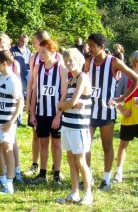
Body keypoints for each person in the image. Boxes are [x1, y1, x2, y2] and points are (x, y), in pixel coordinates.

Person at [84, 33, 138, 191]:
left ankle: (106, 180)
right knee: (85, 145)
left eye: (92, 46)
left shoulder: (114, 62)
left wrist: (121, 98)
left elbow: (135, 79)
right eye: (88, 45)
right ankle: (89, 176)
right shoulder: (88, 62)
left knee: (106, 145)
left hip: (106, 111)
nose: (89, 48)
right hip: (89, 110)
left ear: (101, 47)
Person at [0, 33, 24, 184]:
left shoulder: (13, 80)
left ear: (4, 64)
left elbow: (20, 101)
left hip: (7, 122)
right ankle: (2, 178)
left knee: (8, 149)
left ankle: (10, 182)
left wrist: (11, 122)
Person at [57, 48, 93, 205]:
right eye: (66, 61)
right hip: (67, 124)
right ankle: (74, 193)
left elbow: (69, 103)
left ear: (79, 60)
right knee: (71, 160)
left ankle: (88, 194)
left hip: (79, 126)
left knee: (81, 161)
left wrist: (67, 105)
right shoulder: (70, 80)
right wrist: (68, 105)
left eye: (70, 60)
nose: (68, 63)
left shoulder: (82, 77)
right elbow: (61, 105)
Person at [30, 39, 68, 185]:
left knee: (56, 143)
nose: (41, 54)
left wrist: (58, 115)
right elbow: (35, 92)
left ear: (53, 52)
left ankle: (57, 174)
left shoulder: (61, 68)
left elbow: (63, 93)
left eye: (44, 52)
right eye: (40, 51)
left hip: (55, 111)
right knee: (43, 141)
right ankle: (42, 173)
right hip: (41, 111)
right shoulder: (37, 67)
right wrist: (32, 113)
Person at [25, 30, 50, 175]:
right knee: (35, 134)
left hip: (51, 104)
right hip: (36, 101)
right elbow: (31, 81)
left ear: (41, 42)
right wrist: (28, 101)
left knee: (53, 138)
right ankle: (34, 164)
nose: (32, 44)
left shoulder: (57, 57)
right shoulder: (34, 58)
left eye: (34, 42)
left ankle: (53, 166)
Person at [112, 50, 138, 183]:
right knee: (123, 145)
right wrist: (121, 110)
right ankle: (118, 172)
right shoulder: (126, 77)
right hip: (129, 118)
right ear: (134, 63)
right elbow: (116, 97)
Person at [10, 34, 32, 99]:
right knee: (14, 94)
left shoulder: (28, 51)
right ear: (19, 41)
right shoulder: (12, 50)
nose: (24, 43)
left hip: (24, 76)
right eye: (22, 41)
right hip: (14, 76)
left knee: (21, 95)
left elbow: (29, 64)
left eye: (26, 42)